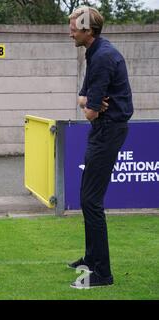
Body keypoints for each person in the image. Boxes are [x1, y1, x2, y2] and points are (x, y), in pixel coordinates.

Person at [68, 7, 133, 289]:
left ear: (88, 31)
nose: (70, 31)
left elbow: (90, 112)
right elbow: (83, 99)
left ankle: (102, 274)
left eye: (73, 27)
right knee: (87, 198)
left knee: (91, 201)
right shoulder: (94, 53)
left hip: (108, 130)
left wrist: (90, 105)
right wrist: (89, 103)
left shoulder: (103, 57)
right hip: (103, 130)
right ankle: (91, 259)